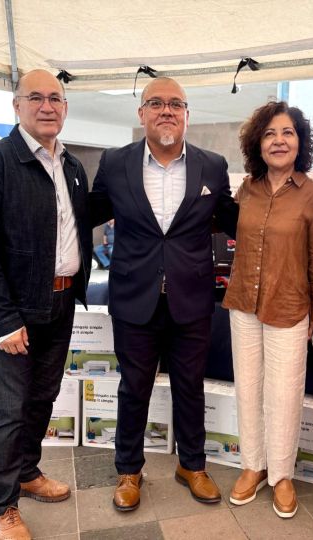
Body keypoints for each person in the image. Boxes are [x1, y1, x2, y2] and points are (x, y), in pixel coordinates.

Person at [89, 77, 238, 512]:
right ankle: (129, 471)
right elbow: (85, 215)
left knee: (190, 387)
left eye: (176, 104)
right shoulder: (115, 162)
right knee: (134, 388)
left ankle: (192, 465)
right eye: (156, 103)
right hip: (134, 297)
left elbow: (232, 219)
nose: (166, 110)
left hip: (191, 298)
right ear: (142, 114)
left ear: (187, 114)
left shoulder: (213, 165)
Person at [0, 69, 93, 540]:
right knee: (10, 409)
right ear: (17, 106)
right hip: (14, 312)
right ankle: (1, 506)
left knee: (42, 397)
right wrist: (2, 320)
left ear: (65, 107)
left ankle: (28, 471)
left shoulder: (72, 167)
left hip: (61, 301)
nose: (47, 106)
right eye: (35, 97)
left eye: (55, 98)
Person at [221, 102, 313, 518]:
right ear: (257, 144)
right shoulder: (246, 190)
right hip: (244, 302)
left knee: (284, 394)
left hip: (290, 305)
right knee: (248, 389)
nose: (278, 141)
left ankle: (281, 475)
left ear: (300, 142)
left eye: (287, 133)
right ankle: (253, 466)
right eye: (269, 134)